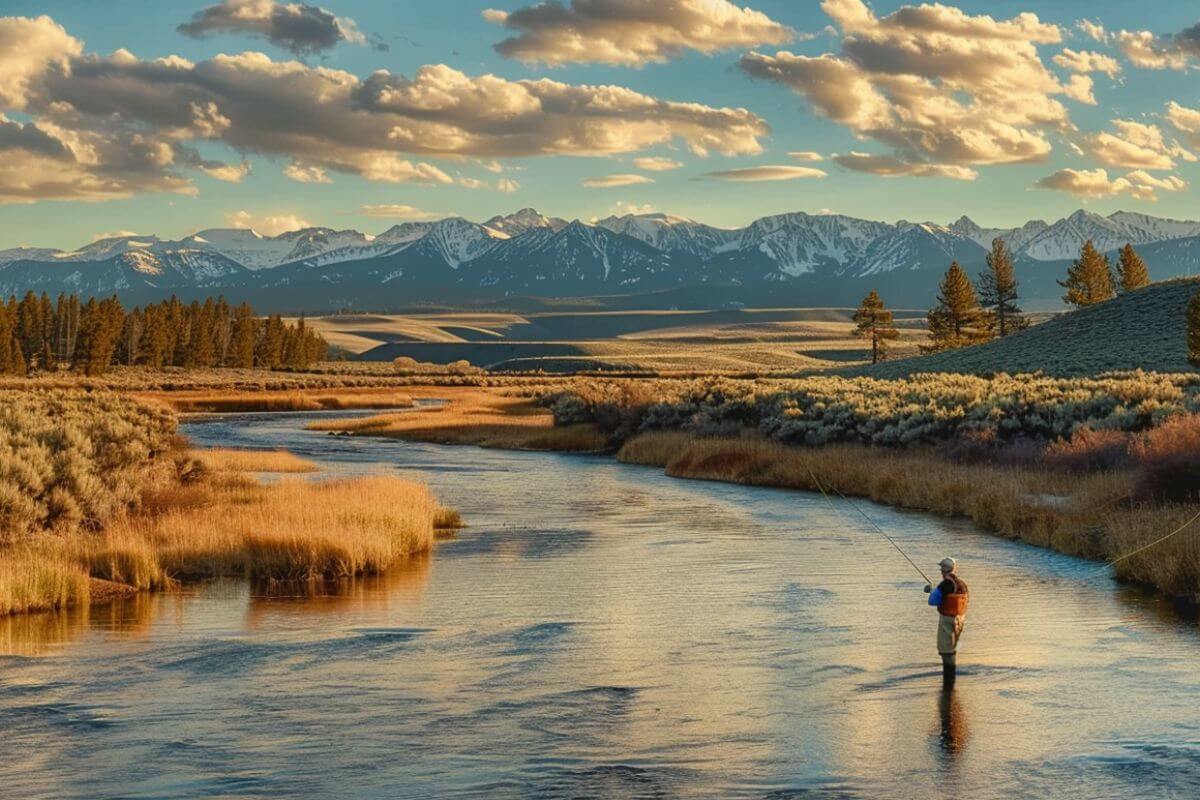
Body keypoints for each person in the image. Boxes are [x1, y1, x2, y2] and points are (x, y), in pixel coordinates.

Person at [923, 557, 969, 681]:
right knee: (952, 648)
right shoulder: (962, 584)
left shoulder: (945, 584)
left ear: (944, 570)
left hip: (947, 620)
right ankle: (951, 679)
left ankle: (949, 679)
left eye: (941, 569)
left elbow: (933, 601)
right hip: (960, 620)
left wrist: (931, 590)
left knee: (945, 650)